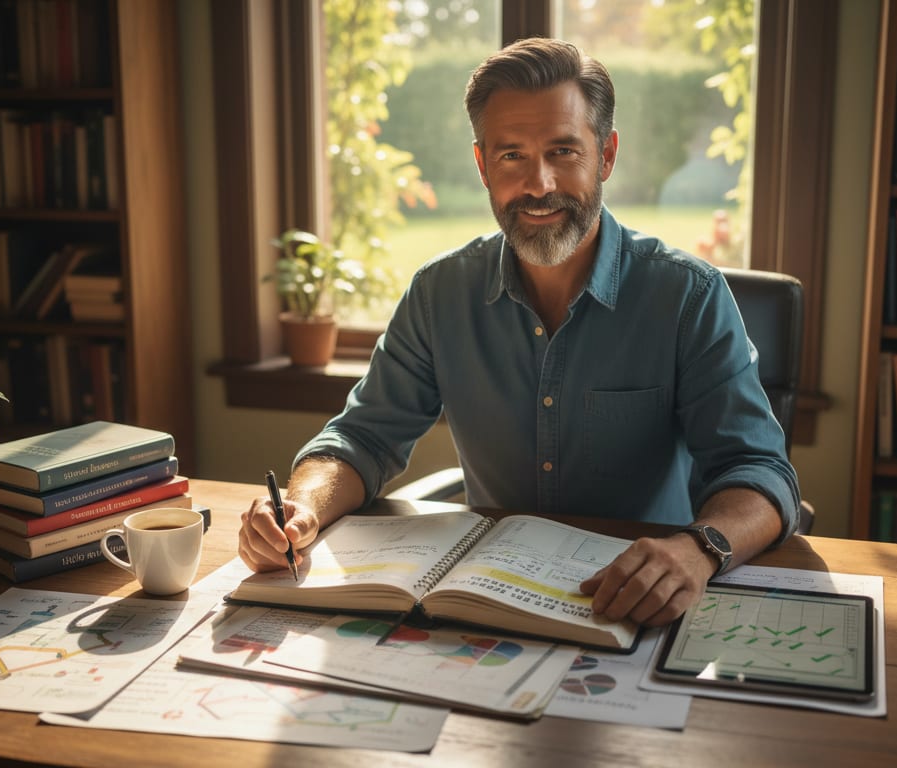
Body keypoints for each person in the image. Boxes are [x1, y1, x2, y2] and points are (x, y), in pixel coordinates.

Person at [238, 37, 800, 628]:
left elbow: (759, 471)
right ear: (482, 164)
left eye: (563, 151)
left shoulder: (688, 295)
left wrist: (700, 549)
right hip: (488, 606)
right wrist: (302, 505)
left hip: (638, 604)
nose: (538, 184)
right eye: (512, 156)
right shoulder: (439, 294)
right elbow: (361, 441)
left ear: (605, 156)